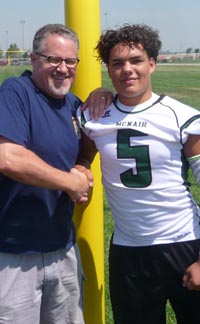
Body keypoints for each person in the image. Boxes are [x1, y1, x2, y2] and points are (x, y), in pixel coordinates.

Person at [77, 24, 200, 324]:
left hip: (184, 242)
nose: (127, 70)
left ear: (152, 64)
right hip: (129, 251)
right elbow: (83, 157)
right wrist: (80, 170)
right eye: (117, 63)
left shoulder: (180, 117)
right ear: (108, 68)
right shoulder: (93, 117)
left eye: (136, 60)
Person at [0, 23, 112, 324]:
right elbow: (7, 157)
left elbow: (87, 141)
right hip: (14, 254)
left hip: (62, 248)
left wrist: (83, 164)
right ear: (34, 59)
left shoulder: (73, 106)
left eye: (70, 61)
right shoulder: (15, 93)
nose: (63, 68)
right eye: (53, 60)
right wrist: (70, 182)